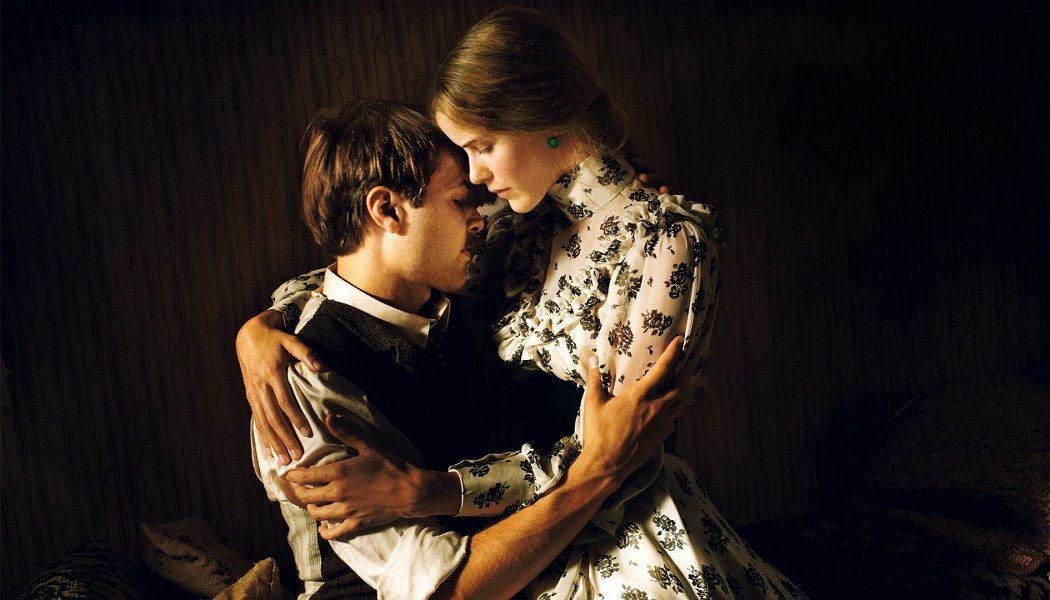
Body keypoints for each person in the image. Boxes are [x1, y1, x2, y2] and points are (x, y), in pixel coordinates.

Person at [240, 8, 806, 599]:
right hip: (503, 552)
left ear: (539, 117)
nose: (477, 185)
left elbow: (617, 452)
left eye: (482, 147)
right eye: (462, 182)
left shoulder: (653, 240)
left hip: (599, 527)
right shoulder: (509, 233)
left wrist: (435, 490)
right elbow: (368, 272)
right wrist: (261, 326)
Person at [254, 98, 688, 600]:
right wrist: (600, 469)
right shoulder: (302, 380)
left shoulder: (456, 304)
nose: (480, 219)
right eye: (460, 201)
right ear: (386, 210)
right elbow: (445, 591)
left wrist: (637, 209)